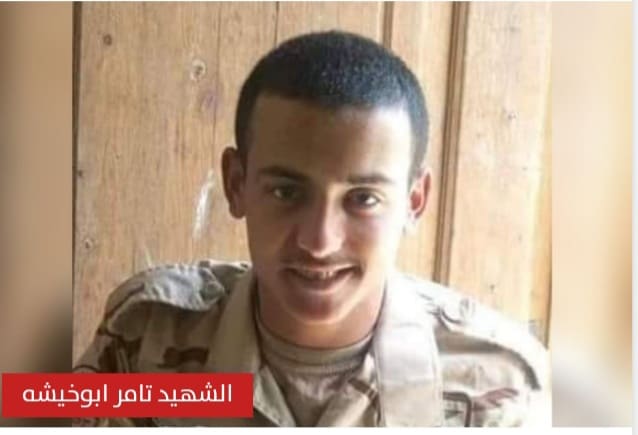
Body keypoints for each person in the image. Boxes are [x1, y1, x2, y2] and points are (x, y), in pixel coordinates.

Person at [74, 30, 550, 427]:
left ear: (413, 201)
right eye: (287, 192)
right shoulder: (147, 337)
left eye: (363, 199)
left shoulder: (499, 385)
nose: (319, 241)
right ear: (237, 185)